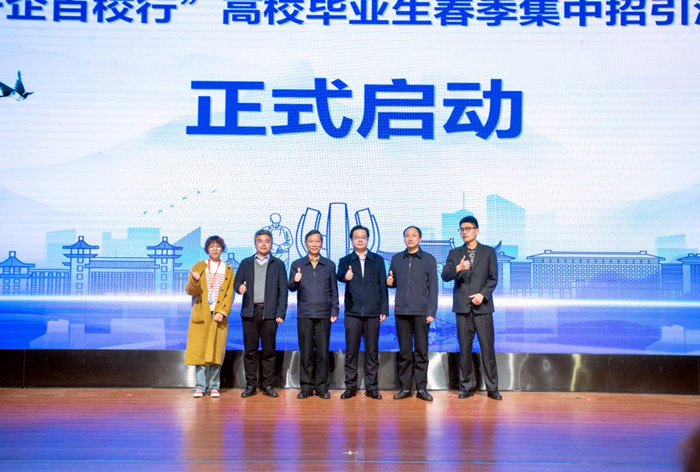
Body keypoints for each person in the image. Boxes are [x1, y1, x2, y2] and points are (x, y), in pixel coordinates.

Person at [441, 216, 501, 400]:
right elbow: (445, 276)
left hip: (483, 307)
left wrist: (483, 294)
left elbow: (493, 278)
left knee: (487, 349)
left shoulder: (488, 252)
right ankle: (467, 386)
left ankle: (492, 387)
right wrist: (458, 268)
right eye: (462, 229)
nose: (464, 232)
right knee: (465, 349)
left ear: (477, 230)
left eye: (468, 228)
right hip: (462, 307)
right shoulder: (454, 253)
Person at [234, 230, 288, 398]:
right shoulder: (246, 263)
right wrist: (239, 287)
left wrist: (281, 312)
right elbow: (236, 282)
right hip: (250, 312)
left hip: (270, 314)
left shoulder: (278, 264)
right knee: (250, 351)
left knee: (269, 352)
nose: (263, 244)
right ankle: (250, 385)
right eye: (260, 241)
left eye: (267, 241)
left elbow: (283, 291)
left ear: (271, 244)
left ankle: (268, 385)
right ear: (255, 243)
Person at [337, 225, 388, 400]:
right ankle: (350, 387)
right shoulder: (345, 260)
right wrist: (345, 276)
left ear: (367, 239)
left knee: (372, 351)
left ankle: (372, 387)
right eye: (356, 237)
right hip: (352, 312)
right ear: (351, 240)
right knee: (351, 352)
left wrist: (384, 309)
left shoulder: (378, 260)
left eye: (363, 237)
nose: (360, 239)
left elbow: (382, 286)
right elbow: (338, 275)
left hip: (373, 312)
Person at [387, 226, 438, 402]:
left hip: (422, 312)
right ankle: (406, 387)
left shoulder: (429, 259)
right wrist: (389, 282)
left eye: (414, 235)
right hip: (402, 311)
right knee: (405, 352)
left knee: (422, 351)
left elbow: (433, 287)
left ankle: (422, 388)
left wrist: (431, 310)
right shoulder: (396, 258)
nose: (410, 238)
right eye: (407, 236)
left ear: (420, 239)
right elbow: (393, 282)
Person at [288, 230, 339, 399]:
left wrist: (334, 309)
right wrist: (295, 280)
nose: (314, 244)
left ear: (322, 243)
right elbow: (291, 287)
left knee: (323, 353)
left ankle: (322, 387)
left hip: (324, 314)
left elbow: (334, 290)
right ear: (305, 243)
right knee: (306, 352)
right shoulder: (297, 264)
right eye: (311, 241)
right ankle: (306, 386)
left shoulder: (329, 265)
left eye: (317, 241)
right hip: (305, 313)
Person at [184, 236, 235, 398]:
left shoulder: (228, 269)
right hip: (201, 313)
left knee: (216, 351)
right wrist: (195, 280)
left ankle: (214, 386)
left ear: (222, 249)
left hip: (218, 314)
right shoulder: (199, 266)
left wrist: (223, 312)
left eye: (218, 246)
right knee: (199, 351)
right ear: (207, 249)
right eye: (212, 246)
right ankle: (200, 386)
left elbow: (229, 294)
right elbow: (189, 290)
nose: (215, 249)